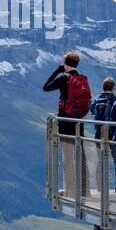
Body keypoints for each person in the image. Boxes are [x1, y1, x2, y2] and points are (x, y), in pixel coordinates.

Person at [44, 51, 91, 200]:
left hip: (65, 121)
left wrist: (57, 71)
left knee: (68, 157)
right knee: (81, 155)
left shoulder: (63, 78)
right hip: (79, 121)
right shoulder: (82, 78)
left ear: (65, 63)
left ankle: (71, 191)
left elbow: (45, 87)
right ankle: (85, 191)